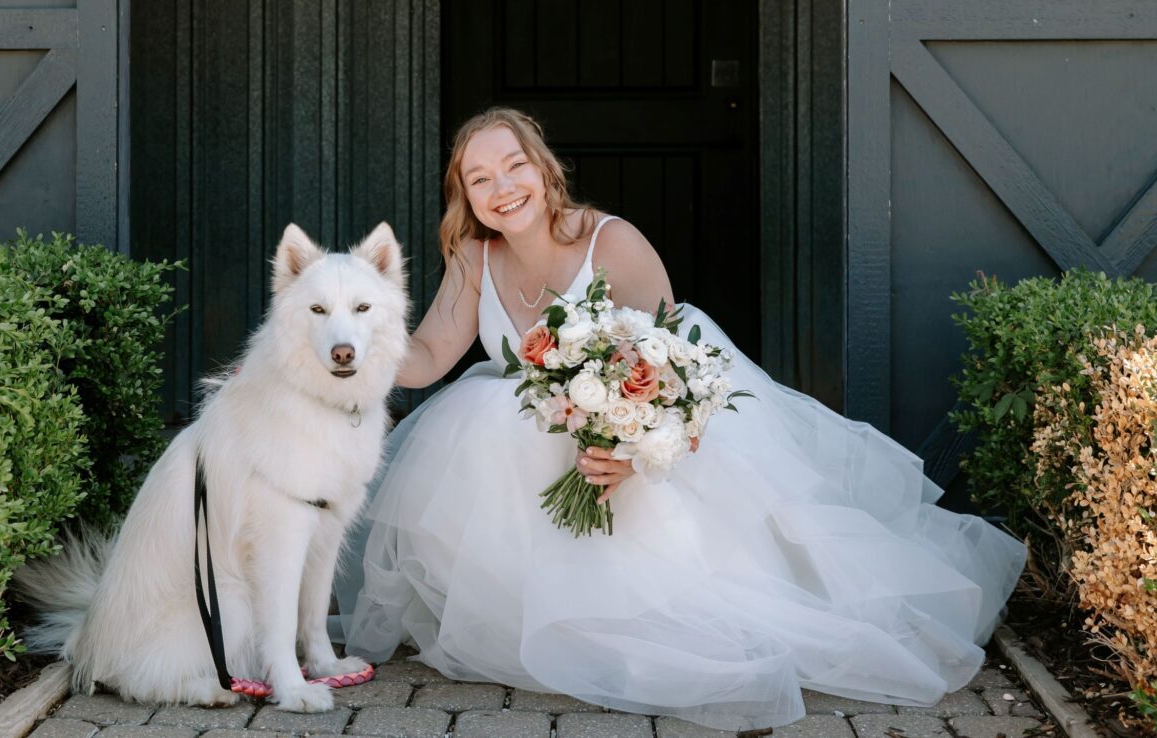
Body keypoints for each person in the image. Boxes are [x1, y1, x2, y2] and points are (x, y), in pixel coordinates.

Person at [333, 107, 1026, 731]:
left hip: (639, 448)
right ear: (467, 196)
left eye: (514, 165)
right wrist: (346, 345)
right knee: (486, 411)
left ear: (544, 172)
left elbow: (677, 367)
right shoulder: (474, 257)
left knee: (711, 599)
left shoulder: (611, 243)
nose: (502, 186)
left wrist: (630, 453)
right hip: (536, 458)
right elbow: (424, 356)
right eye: (480, 177)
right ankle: (535, 619)